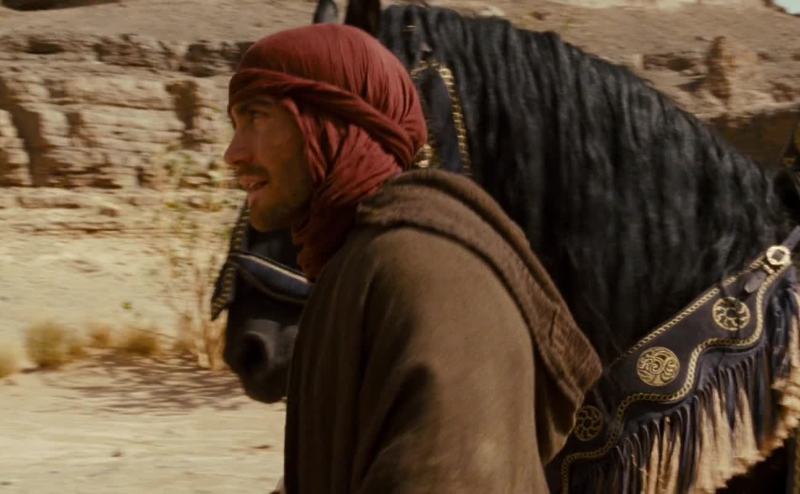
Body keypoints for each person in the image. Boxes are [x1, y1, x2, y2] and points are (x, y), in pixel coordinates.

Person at [224, 23, 601, 493]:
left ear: (333, 125)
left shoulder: (425, 272)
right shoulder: (360, 260)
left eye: (257, 118)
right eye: (235, 125)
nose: (233, 153)